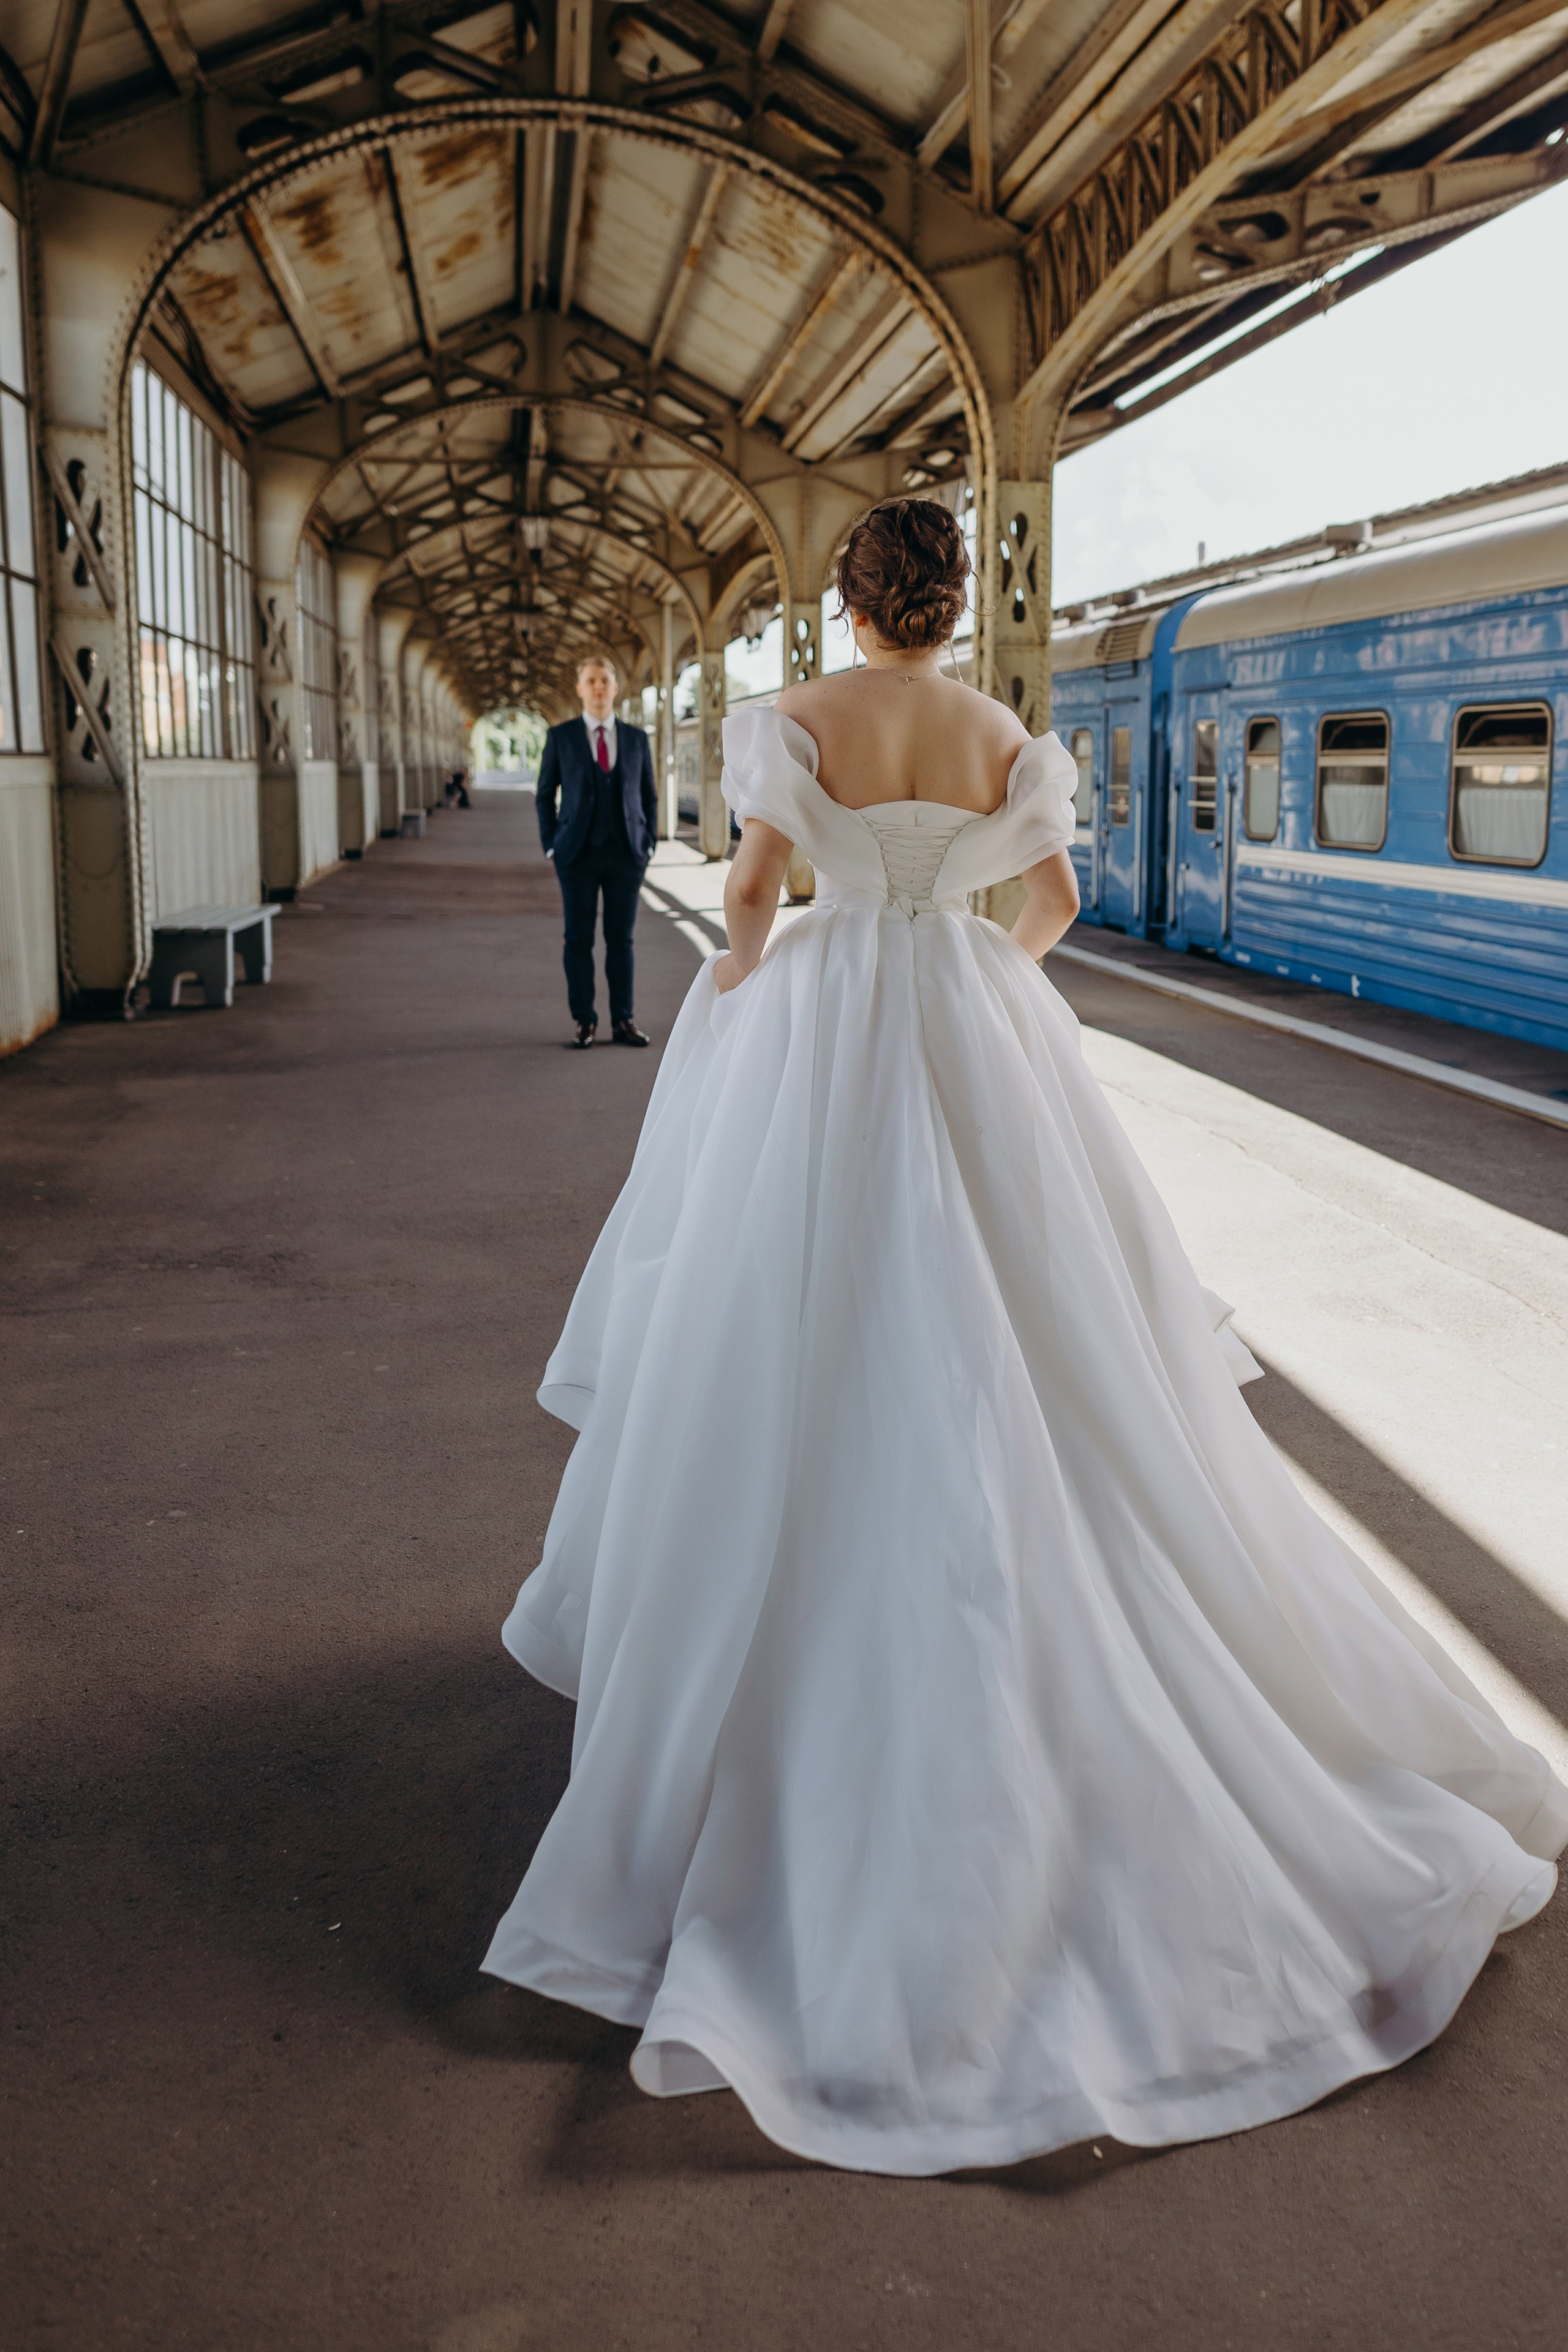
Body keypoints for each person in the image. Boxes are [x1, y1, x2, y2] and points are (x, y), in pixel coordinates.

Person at [484, 499, 1563, 2177]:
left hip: (828, 1034)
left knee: (789, 1340)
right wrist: (970, 972)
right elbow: (1050, 904)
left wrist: (757, 996)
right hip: (971, 1029)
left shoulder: (800, 727)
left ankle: (789, 1655)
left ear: (852, 605)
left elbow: (755, 900)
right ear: (955, 602)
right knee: (1040, 1351)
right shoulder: (1001, 732)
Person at [535, 655, 658, 1047]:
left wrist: (648, 843)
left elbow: (649, 797)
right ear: (580, 688)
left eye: (605, 680)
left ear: (616, 686)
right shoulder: (561, 737)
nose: (599, 687)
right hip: (576, 855)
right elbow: (543, 796)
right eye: (591, 681)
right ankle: (585, 1021)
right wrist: (551, 846)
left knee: (621, 940)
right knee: (578, 939)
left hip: (626, 854)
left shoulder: (637, 739)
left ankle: (623, 1020)